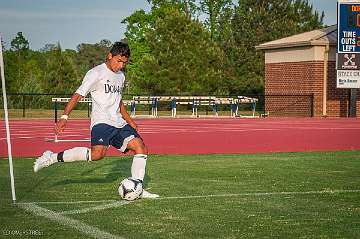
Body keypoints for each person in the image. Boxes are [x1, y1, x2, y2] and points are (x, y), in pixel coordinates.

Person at [33, 42, 158, 199]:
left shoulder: (121, 76)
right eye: (118, 61)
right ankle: (51, 157)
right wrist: (64, 117)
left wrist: (129, 120)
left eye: (124, 63)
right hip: (102, 121)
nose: (121, 66)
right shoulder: (96, 73)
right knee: (97, 154)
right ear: (110, 56)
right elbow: (78, 95)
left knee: (141, 147)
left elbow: (118, 101)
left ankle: (137, 187)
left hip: (118, 121)